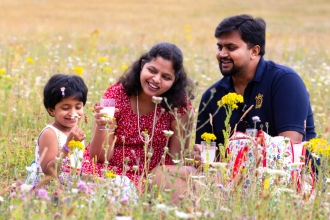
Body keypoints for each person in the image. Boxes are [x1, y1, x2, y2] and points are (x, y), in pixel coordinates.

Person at [193, 14, 316, 165]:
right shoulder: (212, 96)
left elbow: (288, 147)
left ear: (254, 51)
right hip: (229, 182)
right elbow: (205, 154)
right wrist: (202, 157)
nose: (222, 54)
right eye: (220, 47)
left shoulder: (284, 81)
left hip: (289, 179)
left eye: (231, 48)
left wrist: (235, 157)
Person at [82, 42, 196, 204]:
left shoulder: (178, 106)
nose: (156, 80)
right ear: (143, 65)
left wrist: (185, 124)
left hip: (152, 175)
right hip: (110, 170)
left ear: (175, 80)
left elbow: (176, 159)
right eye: (152, 70)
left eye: (166, 77)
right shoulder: (117, 94)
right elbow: (99, 157)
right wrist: (103, 128)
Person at [25, 74, 88, 185]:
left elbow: (75, 167)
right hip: (48, 190)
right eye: (65, 108)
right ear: (51, 110)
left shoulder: (76, 132)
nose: (73, 113)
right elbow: (50, 172)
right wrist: (68, 145)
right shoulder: (50, 133)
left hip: (70, 185)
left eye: (78, 107)